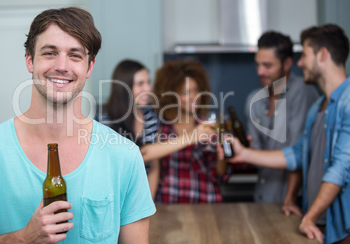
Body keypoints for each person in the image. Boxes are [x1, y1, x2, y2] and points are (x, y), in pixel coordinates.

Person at [0, 7, 155, 243]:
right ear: (29, 60)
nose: (62, 66)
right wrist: (21, 239)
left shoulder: (124, 156)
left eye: (75, 55)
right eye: (50, 53)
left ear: (89, 68)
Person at [229, 24, 350, 244]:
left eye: (304, 55)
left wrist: (308, 216)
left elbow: (340, 169)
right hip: (319, 223)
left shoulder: (346, 101)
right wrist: (244, 153)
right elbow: (296, 154)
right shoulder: (319, 106)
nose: (300, 62)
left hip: (342, 226)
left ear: (323, 55)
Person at [245, 31, 319, 203]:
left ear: (287, 63)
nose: (260, 71)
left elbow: (298, 154)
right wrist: (246, 149)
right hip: (263, 196)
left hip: (294, 201)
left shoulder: (302, 92)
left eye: (267, 65)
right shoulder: (254, 101)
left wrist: (290, 199)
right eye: (258, 64)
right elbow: (256, 155)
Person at [141, 60, 228, 204]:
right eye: (186, 92)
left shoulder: (209, 126)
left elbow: (220, 175)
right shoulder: (161, 127)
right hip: (169, 204)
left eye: (196, 90)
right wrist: (192, 136)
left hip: (206, 204)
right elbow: (143, 155)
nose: (193, 96)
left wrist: (222, 155)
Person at [95, 59, 160, 198]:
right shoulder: (103, 117)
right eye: (140, 84)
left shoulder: (151, 116)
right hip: (112, 196)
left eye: (148, 82)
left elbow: (154, 165)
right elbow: (127, 159)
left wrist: (149, 202)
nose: (148, 88)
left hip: (143, 196)